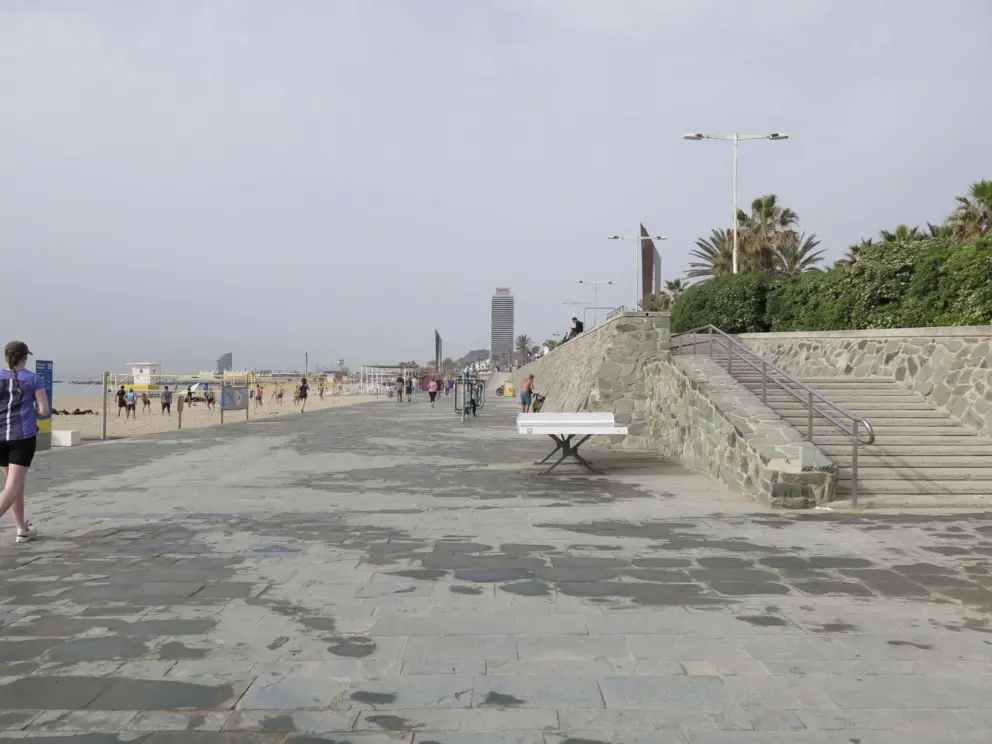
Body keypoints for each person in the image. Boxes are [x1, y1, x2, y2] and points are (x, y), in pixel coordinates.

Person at [0, 341, 49, 543]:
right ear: (24, 357)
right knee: (14, 484)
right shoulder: (32, 379)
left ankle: (22, 528)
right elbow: (44, 411)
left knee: (14, 484)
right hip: (22, 437)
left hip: (0, 437)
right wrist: (33, 412)